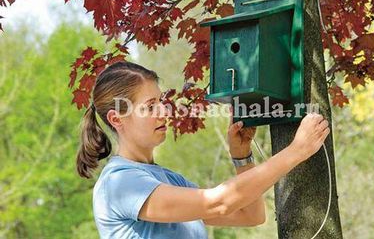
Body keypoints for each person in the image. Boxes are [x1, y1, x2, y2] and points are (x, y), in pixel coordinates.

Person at [76, 61, 330, 239]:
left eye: (161, 102)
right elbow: (218, 203)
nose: (164, 111)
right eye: (150, 106)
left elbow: (249, 215)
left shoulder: (168, 179)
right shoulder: (120, 183)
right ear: (116, 119)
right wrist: (296, 151)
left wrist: (242, 158)